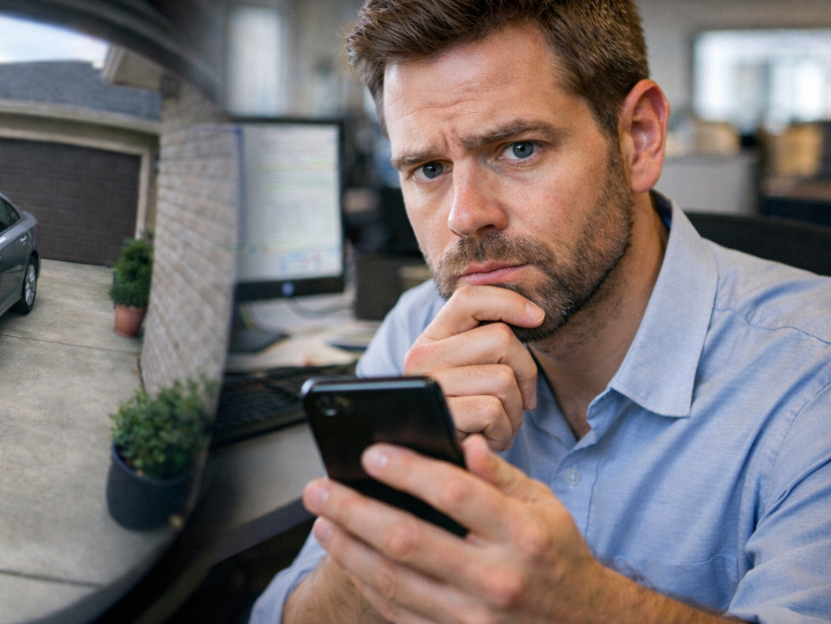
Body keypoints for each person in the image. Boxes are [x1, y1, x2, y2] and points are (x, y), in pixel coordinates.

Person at [250, 1, 831, 622]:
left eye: (519, 148)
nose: (465, 217)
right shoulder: (420, 334)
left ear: (639, 138)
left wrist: (583, 608)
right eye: (429, 168)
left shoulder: (810, 379)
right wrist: (388, 519)